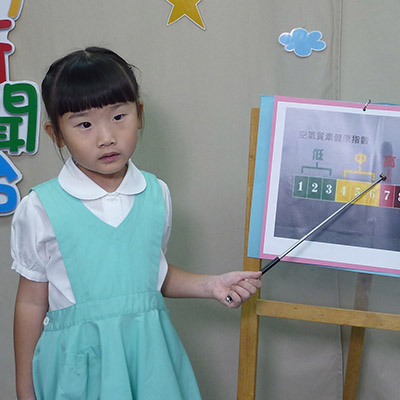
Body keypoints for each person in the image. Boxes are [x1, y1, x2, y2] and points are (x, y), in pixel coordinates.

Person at [12, 47, 262, 400]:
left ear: (139, 115)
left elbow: (148, 275)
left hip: (150, 363)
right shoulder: (41, 207)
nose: (106, 137)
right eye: (84, 124)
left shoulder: (156, 194)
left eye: (118, 116)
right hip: (79, 369)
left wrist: (211, 285)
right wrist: (25, 391)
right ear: (57, 134)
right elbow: (30, 304)